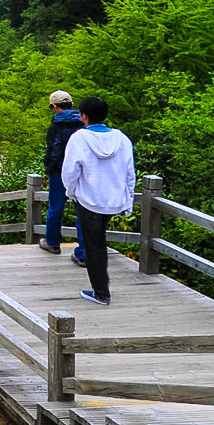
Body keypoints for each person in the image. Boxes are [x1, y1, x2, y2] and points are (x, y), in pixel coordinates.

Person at [59, 95, 135, 306]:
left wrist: (71, 192)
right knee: (99, 241)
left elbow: (70, 171)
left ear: (84, 116)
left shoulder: (79, 138)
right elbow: (130, 172)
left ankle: (101, 293)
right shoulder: (121, 139)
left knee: (94, 246)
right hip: (113, 200)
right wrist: (127, 201)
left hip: (89, 200)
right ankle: (102, 287)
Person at [40, 90, 86, 257]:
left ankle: (52, 243)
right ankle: (83, 253)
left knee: (55, 208)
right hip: (82, 173)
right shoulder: (83, 122)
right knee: (82, 211)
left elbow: (53, 151)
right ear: (72, 105)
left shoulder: (56, 125)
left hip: (60, 172)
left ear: (54, 106)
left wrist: (49, 170)